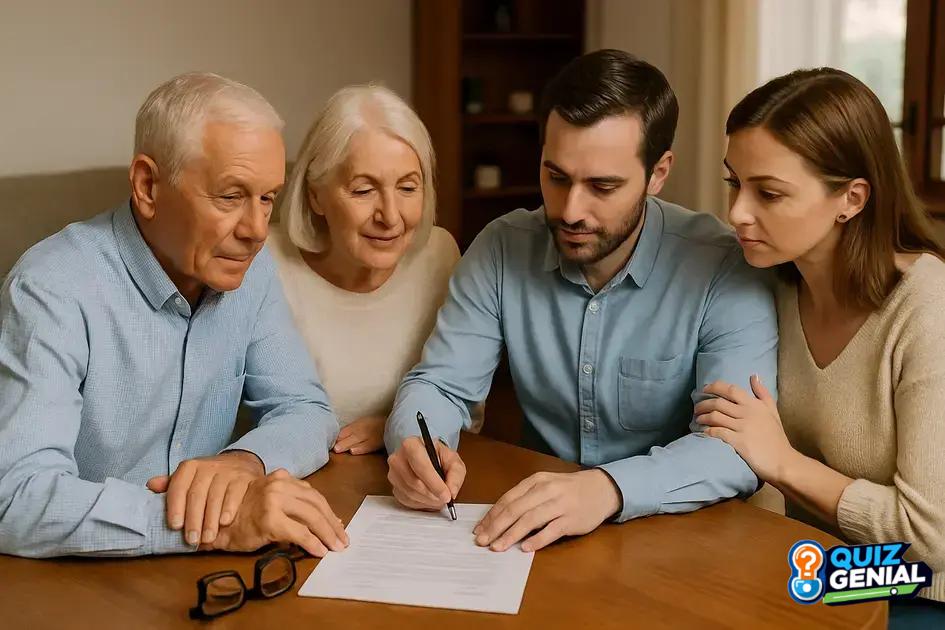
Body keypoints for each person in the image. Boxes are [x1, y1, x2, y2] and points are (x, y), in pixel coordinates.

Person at [384, 49, 778, 552]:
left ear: (659, 173)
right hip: (536, 537)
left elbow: (736, 451)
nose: (570, 210)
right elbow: (440, 384)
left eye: (602, 186)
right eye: (557, 177)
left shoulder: (723, 268)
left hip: (678, 540)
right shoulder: (502, 247)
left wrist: (609, 489)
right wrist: (417, 446)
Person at [0, 72, 348, 558]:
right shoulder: (50, 288)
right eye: (230, 196)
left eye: (267, 197)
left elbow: (307, 410)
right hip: (75, 587)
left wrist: (243, 463)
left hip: (205, 581)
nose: (256, 230)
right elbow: (16, 498)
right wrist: (209, 525)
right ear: (147, 186)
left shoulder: (252, 268)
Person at [697, 68, 945, 624]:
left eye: (769, 193)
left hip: (918, 591)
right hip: (807, 571)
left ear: (851, 199)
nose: (738, 212)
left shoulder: (929, 310)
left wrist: (784, 463)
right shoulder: (766, 281)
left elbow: (928, 538)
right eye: (735, 183)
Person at [270, 85, 460, 455]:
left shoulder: (440, 254)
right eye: (362, 191)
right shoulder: (265, 261)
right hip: (286, 483)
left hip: (397, 484)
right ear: (315, 195)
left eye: (407, 188)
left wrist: (398, 428)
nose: (390, 216)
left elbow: (464, 401)